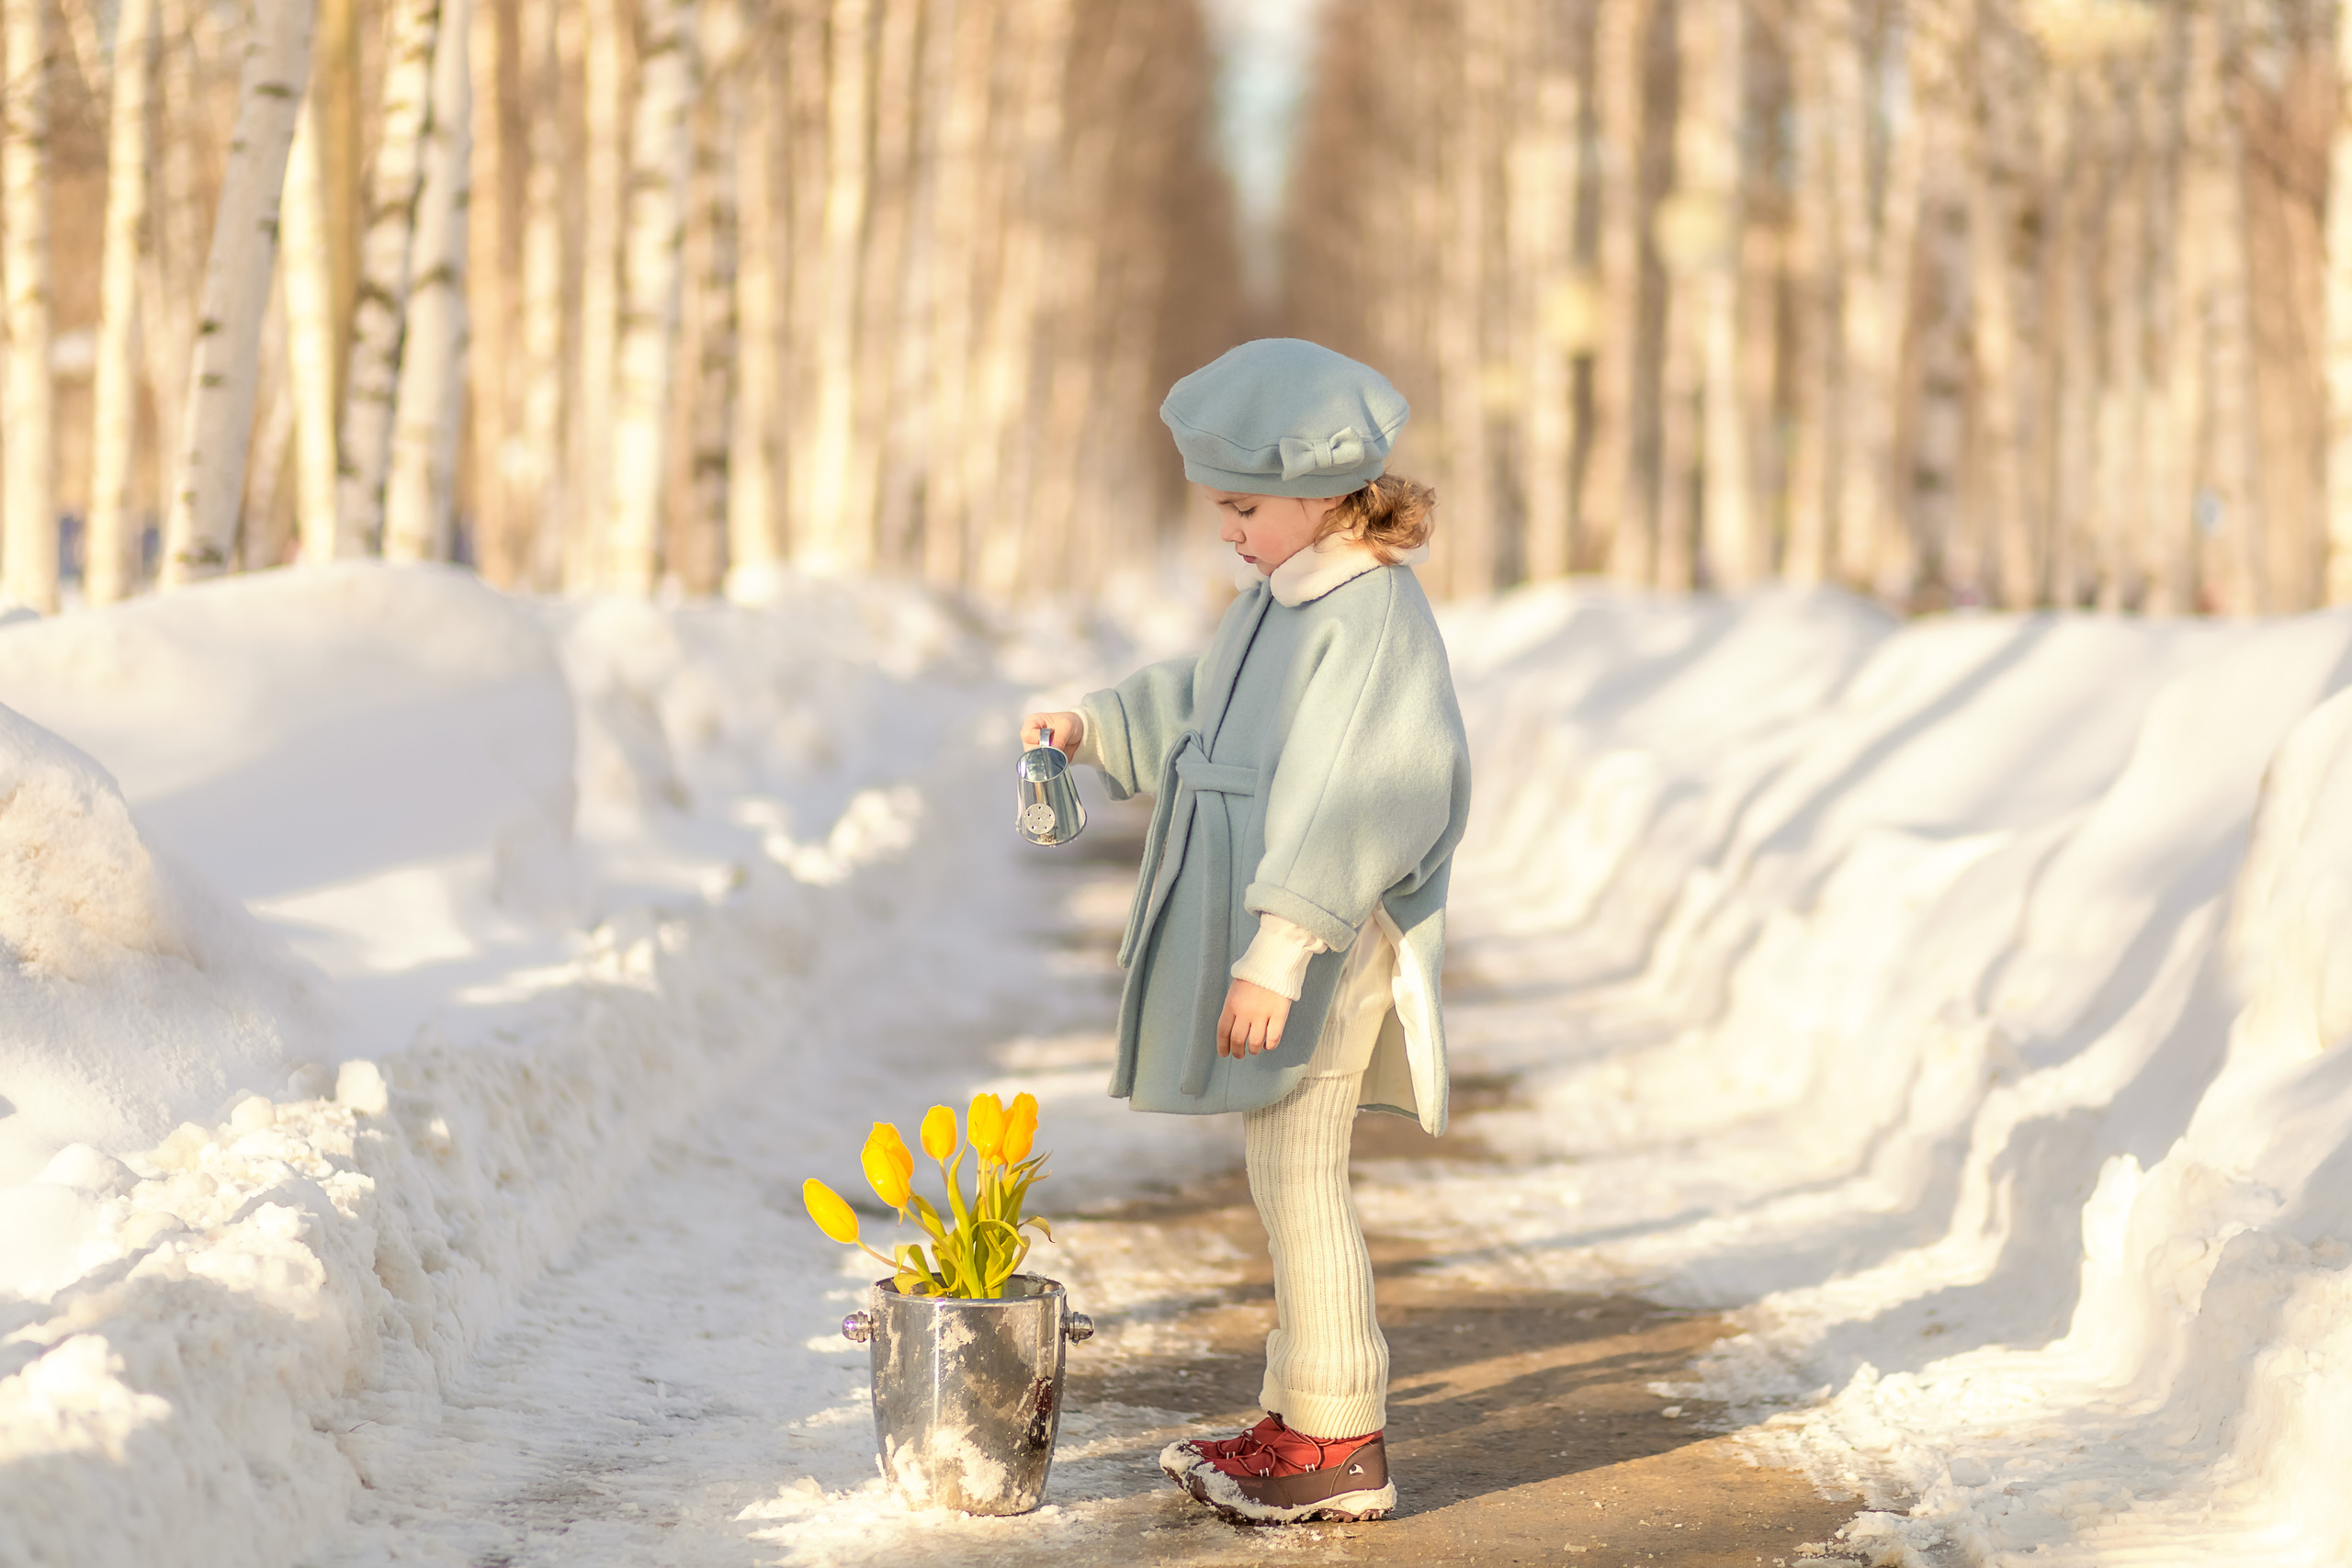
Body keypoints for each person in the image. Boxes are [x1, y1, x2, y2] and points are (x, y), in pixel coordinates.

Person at [1021, 337, 1472, 1526]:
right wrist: (1096, 726)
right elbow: (1199, 699)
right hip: (1291, 939)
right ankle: (1306, 1417)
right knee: (1285, 1172)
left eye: (1242, 505)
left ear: (1319, 490)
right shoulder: (1285, 602)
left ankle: (1339, 1442)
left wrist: (1282, 948)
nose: (1227, 529)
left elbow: (1359, 793)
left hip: (1320, 944)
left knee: (1303, 1172)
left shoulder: (1367, 616)